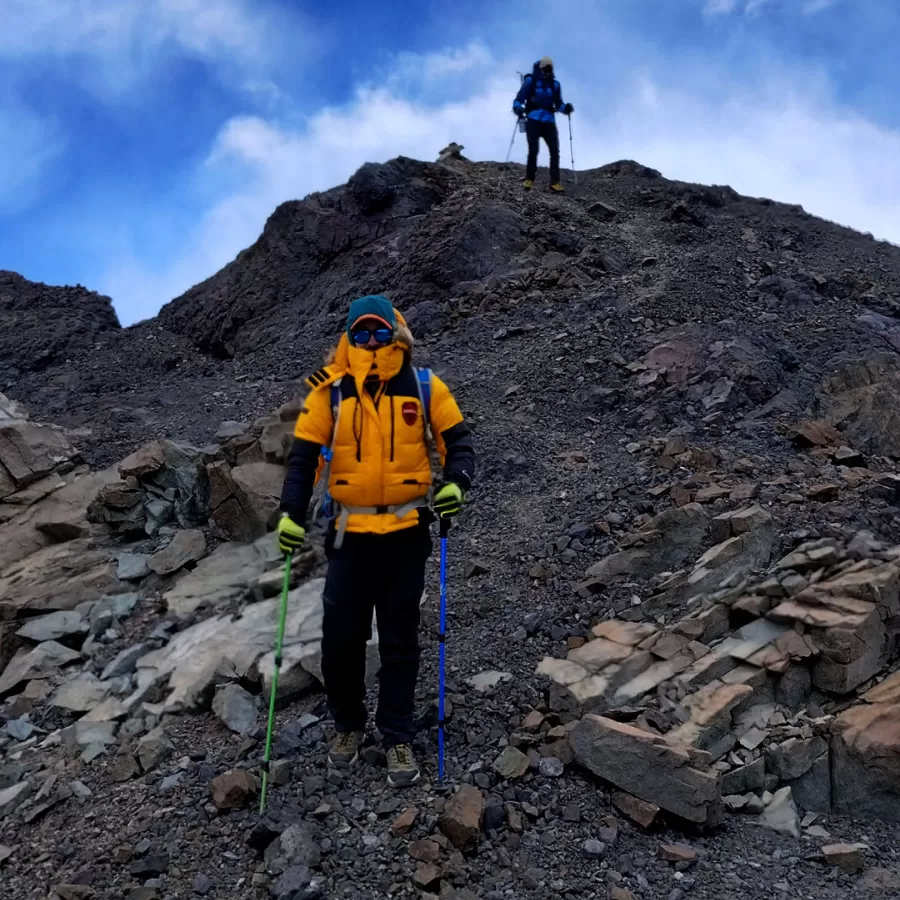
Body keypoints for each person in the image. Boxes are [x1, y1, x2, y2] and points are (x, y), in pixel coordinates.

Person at [276, 295, 475, 788]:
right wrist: (290, 514)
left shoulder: (425, 386)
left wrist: (456, 483)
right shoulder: (329, 393)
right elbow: (304, 459)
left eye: (379, 331)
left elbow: (460, 443)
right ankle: (347, 725)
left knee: (400, 640)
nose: (370, 340)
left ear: (396, 333)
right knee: (341, 641)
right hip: (349, 536)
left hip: (408, 534)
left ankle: (397, 735)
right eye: (360, 332)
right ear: (347, 337)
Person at [512, 56, 574, 192]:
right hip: (533, 120)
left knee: (554, 151)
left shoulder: (555, 85)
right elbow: (519, 98)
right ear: (540, 69)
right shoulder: (531, 82)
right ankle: (529, 179)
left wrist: (566, 109)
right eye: (545, 69)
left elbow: (558, 104)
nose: (547, 72)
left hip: (549, 121)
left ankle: (554, 182)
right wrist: (517, 108)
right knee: (533, 150)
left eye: (549, 69)